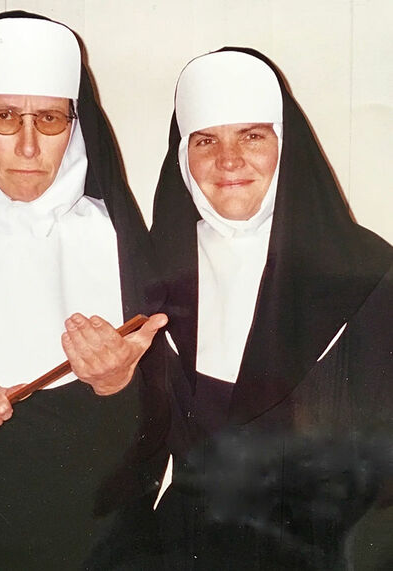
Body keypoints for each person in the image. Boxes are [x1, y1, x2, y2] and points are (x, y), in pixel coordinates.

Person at [0, 12, 169, 569]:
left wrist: (117, 383)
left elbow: (172, 427)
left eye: (48, 118)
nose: (27, 147)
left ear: (75, 123)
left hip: (104, 543)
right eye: (3, 117)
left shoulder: (121, 240)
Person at [151, 48, 393, 569]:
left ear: (287, 146)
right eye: (206, 140)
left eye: (252, 136)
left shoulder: (369, 274)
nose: (228, 160)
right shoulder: (153, 270)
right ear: (182, 157)